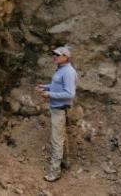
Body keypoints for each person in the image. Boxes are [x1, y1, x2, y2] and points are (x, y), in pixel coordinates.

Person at [36, 45, 78, 182]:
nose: (55, 56)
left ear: (66, 57)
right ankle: (66, 162)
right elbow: (57, 85)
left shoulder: (68, 72)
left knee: (56, 141)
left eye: (58, 55)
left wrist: (49, 94)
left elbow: (70, 93)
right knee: (61, 137)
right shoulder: (61, 69)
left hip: (60, 109)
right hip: (57, 108)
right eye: (54, 54)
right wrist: (46, 86)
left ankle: (54, 172)